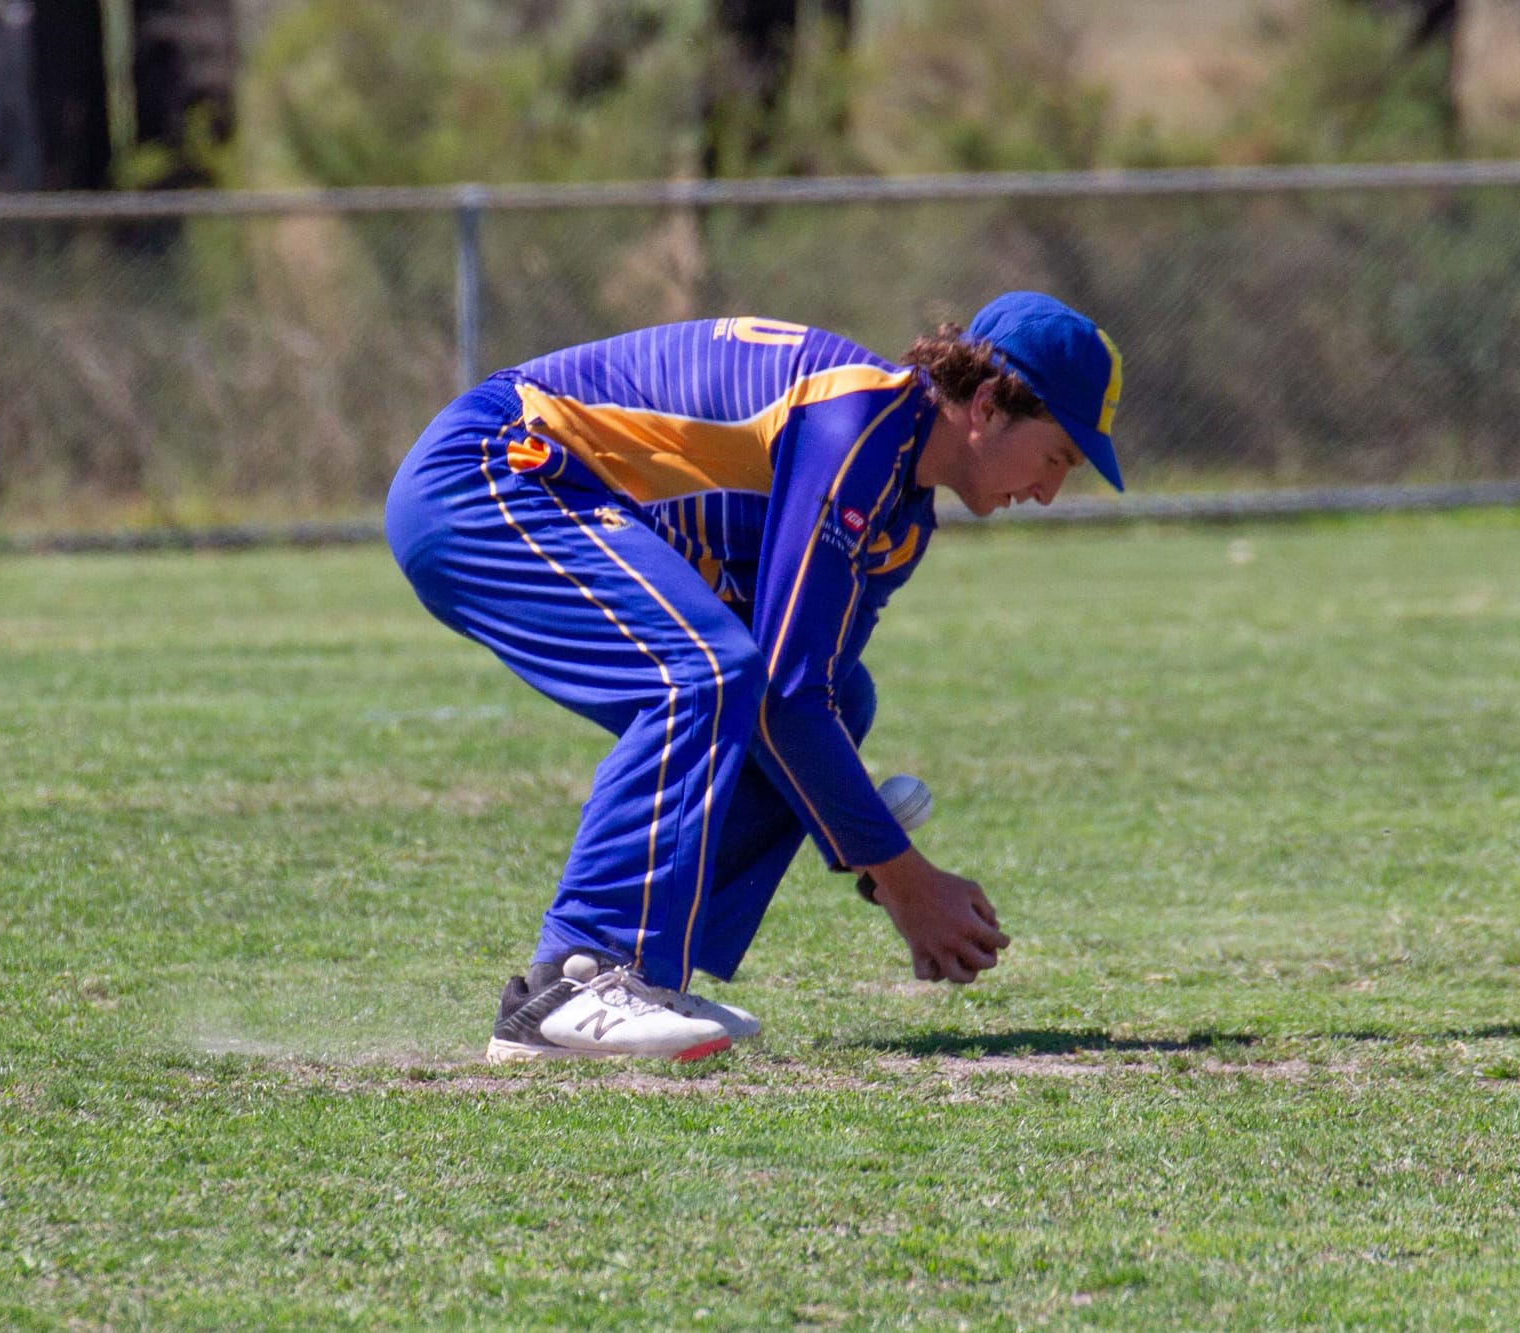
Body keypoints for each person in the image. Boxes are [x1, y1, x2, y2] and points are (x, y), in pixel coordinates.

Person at [384, 292, 1125, 1062]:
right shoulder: (856, 425)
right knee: (705, 674)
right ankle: (577, 977)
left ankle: (643, 974)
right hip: (490, 468)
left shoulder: (899, 513)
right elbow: (786, 694)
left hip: (548, 489)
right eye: (1057, 456)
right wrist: (904, 879)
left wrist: (875, 852)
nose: (1048, 491)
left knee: (834, 695)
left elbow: (810, 695)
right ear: (987, 405)